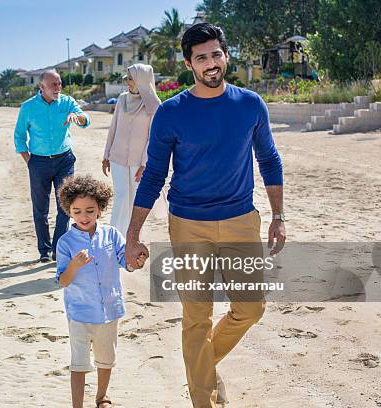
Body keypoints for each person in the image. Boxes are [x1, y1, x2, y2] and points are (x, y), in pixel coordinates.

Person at [124, 23, 286, 407]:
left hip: (241, 220)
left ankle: (202, 369)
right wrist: (132, 235)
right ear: (188, 63)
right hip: (188, 225)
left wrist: (279, 216)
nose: (211, 63)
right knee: (196, 318)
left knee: (251, 308)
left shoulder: (250, 104)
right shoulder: (172, 114)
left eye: (216, 54)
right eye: (202, 58)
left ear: (225, 55)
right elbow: (153, 179)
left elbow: (270, 160)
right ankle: (204, 399)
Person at [55, 175, 145, 408]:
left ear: (100, 208)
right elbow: (63, 281)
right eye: (77, 211)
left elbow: (127, 263)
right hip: (80, 313)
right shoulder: (65, 243)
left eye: (89, 210)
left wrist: (137, 260)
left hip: (109, 310)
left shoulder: (112, 235)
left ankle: (101, 397)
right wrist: (74, 265)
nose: (84, 216)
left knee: (106, 359)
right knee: (79, 363)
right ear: (68, 211)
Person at [14, 70, 91, 262]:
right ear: (42, 87)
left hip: (64, 160)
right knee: (40, 209)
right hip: (38, 162)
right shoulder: (28, 107)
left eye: (59, 83)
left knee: (66, 206)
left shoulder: (67, 102)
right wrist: (29, 161)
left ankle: (58, 248)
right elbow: (19, 137)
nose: (58, 88)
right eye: (53, 84)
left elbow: (85, 120)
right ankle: (44, 251)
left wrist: (78, 117)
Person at [102, 63, 161, 237]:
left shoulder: (154, 105)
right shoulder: (121, 99)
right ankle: (114, 237)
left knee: (135, 200)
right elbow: (113, 127)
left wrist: (145, 164)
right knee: (121, 196)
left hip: (138, 162)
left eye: (131, 79)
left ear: (141, 80)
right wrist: (106, 156)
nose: (127, 82)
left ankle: (132, 238)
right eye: (127, 78)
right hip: (117, 157)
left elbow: (152, 138)